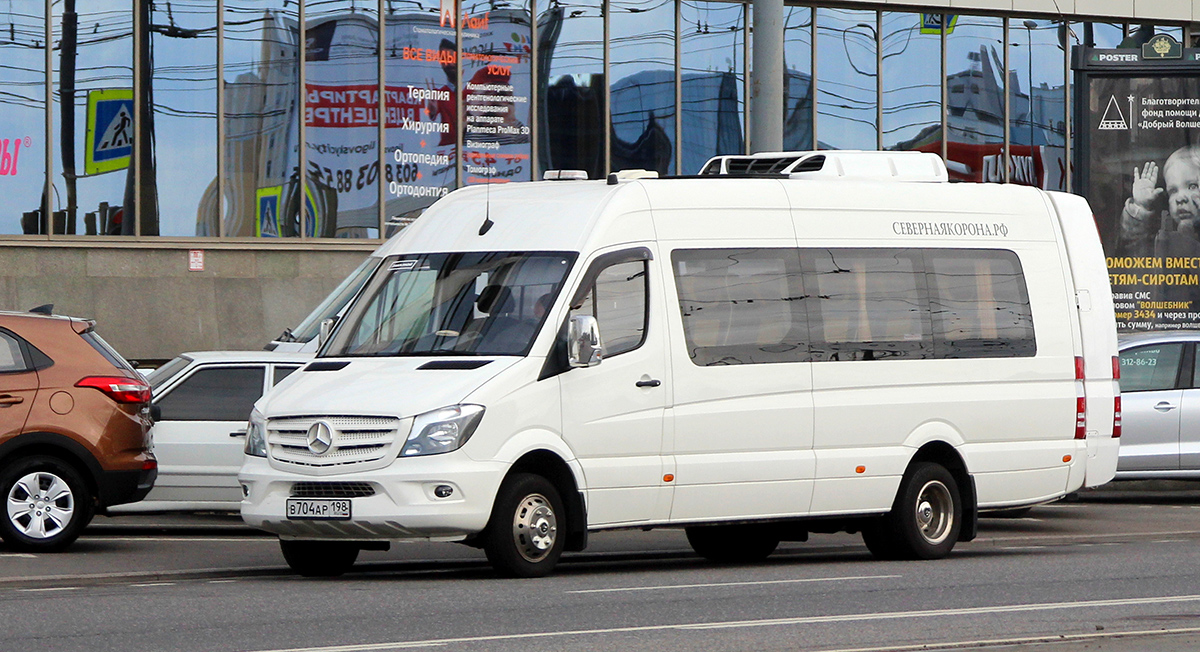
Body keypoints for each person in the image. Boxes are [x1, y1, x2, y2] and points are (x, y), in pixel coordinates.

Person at [1119, 146, 1200, 257]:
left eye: (1192, 186)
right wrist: (1140, 207)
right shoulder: (1165, 239)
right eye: (1173, 190)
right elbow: (1132, 243)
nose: (1180, 198)